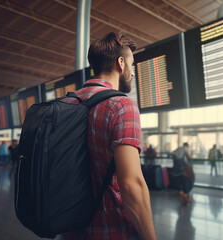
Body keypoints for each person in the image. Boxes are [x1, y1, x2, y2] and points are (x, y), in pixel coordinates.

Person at [61, 32, 156, 240]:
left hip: (70, 226)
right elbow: (131, 184)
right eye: (132, 64)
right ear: (121, 63)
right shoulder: (122, 105)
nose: (133, 73)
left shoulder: (67, 104)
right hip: (109, 228)